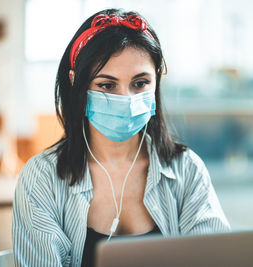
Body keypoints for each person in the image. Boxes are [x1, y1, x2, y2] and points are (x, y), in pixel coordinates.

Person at [12, 8, 230, 267]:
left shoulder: (187, 170)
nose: (126, 100)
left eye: (140, 83)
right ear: (76, 85)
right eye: (107, 85)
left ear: (156, 82)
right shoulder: (41, 179)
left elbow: (216, 259)